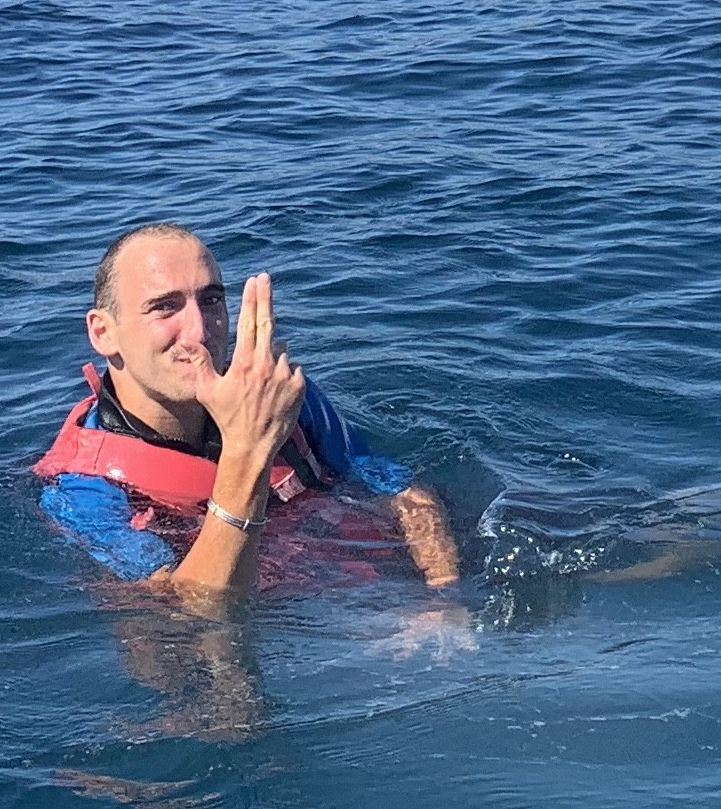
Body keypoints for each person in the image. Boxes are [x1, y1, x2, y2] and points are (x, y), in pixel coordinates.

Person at [36, 224, 464, 601]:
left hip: (366, 582)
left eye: (211, 301)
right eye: (165, 307)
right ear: (103, 332)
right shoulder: (80, 488)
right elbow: (195, 605)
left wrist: (443, 596)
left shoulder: (280, 398)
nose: (199, 331)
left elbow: (400, 491)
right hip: (275, 631)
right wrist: (247, 448)